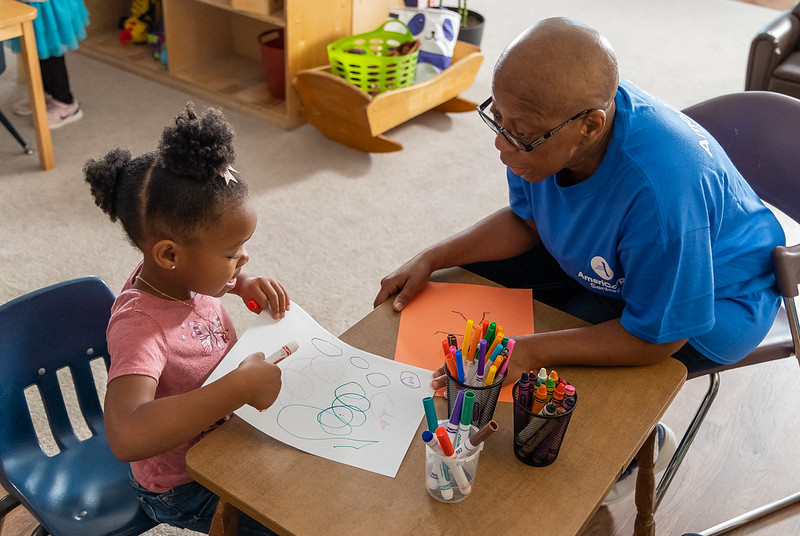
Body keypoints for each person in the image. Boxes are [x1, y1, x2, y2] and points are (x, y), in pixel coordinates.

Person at [374, 17, 785, 504]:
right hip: (623, 262)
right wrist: (432, 255)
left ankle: (630, 451)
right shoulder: (549, 120)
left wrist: (534, 349)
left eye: (519, 134)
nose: (501, 145)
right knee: (461, 281)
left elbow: (660, 337)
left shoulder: (662, 196)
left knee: (551, 390)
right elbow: (527, 221)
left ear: (591, 126)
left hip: (712, 301)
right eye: (497, 120)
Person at [84, 103, 288, 534]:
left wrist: (241, 279)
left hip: (224, 436)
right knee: (292, 516)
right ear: (169, 254)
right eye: (232, 253)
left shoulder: (180, 275)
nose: (243, 257)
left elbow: (206, 275)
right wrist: (236, 389)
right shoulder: (140, 326)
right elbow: (126, 434)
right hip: (183, 486)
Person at [10, 0, 88, 128]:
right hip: (31, 5)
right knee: (34, 52)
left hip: (46, 6)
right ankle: (46, 94)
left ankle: (66, 104)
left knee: (50, 53)